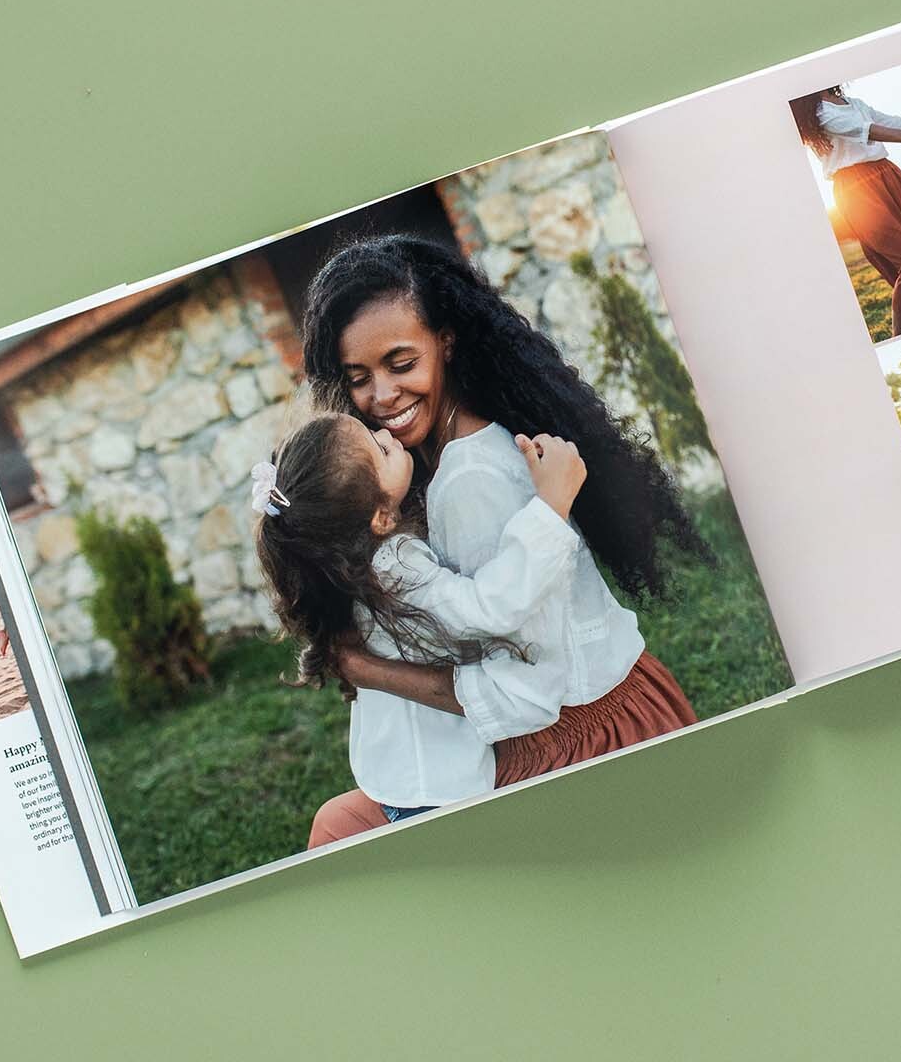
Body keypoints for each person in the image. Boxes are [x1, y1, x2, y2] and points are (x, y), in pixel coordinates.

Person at [296, 234, 701, 848]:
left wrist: (368, 670)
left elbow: (529, 689)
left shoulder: (469, 481)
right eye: (359, 377)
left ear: (447, 341)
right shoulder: (435, 457)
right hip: (602, 714)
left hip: (573, 748)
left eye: (402, 364)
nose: (381, 398)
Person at [253, 410, 589, 824]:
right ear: (380, 517)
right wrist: (550, 508)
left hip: (400, 776)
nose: (384, 433)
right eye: (379, 447)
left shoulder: (341, 564)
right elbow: (486, 609)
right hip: (439, 791)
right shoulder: (395, 566)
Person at [791, 86, 901, 336]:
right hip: (856, 190)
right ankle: (898, 335)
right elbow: (866, 130)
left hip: (887, 174)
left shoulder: (851, 102)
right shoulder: (820, 113)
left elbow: (890, 120)